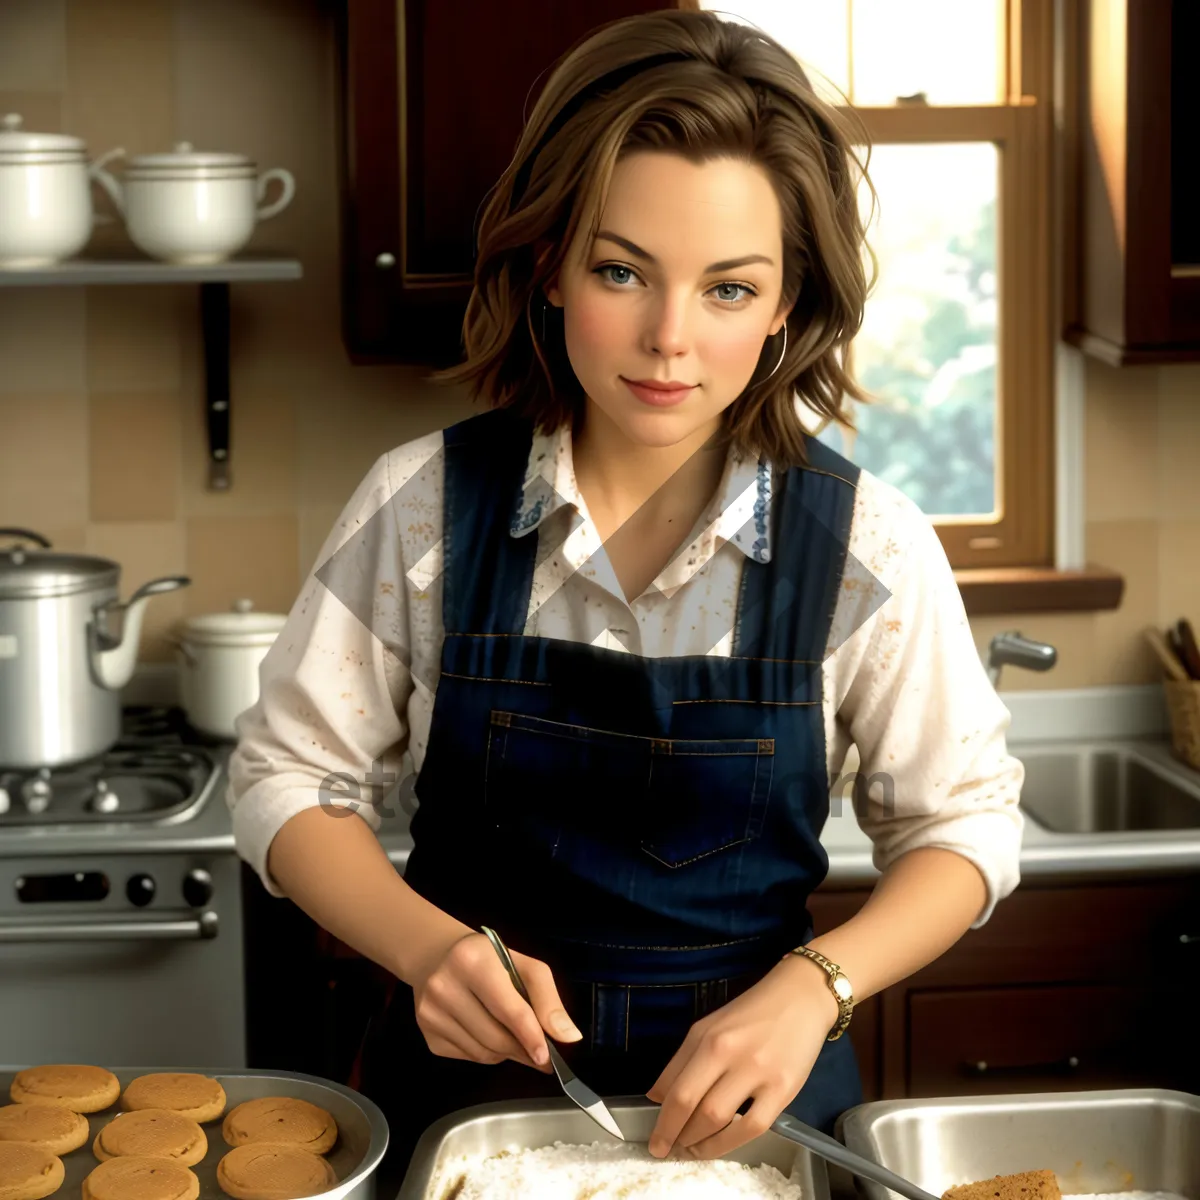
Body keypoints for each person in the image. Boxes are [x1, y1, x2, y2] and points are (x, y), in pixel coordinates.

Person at [227, 8, 1023, 1193]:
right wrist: (427, 949)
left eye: (728, 289)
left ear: (788, 305)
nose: (668, 340)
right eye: (621, 271)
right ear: (550, 265)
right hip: (469, 1104)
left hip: (762, 1113)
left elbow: (964, 830)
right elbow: (284, 778)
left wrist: (820, 988)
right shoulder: (419, 506)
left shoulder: (868, 546)